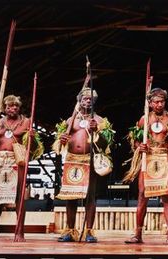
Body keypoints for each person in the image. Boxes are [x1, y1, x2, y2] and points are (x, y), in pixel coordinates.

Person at [123, 88, 168, 244]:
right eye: (156, 102)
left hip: (164, 158)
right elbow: (134, 139)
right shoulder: (144, 119)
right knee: (142, 195)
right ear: (150, 103)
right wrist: (140, 146)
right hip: (149, 158)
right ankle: (138, 234)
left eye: (162, 101)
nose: (159, 104)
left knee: (167, 197)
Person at [53, 86, 115, 243]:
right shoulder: (70, 120)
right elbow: (60, 143)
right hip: (72, 160)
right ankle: (70, 230)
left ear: (94, 102)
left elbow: (106, 144)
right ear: (79, 100)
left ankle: (89, 231)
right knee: (70, 197)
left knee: (90, 197)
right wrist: (62, 140)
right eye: (84, 98)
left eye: (90, 99)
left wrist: (98, 132)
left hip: (90, 160)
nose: (87, 101)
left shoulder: (100, 121)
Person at [0, 95, 44, 241]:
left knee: (19, 197)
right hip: (0, 160)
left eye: (15, 106)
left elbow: (36, 148)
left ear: (19, 108)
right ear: (4, 108)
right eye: (9, 106)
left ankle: (19, 232)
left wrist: (32, 137)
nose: (12, 109)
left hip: (17, 161)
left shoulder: (26, 122)